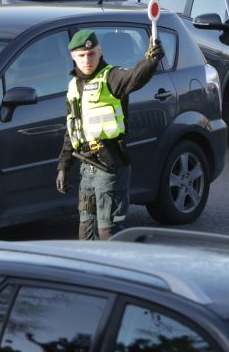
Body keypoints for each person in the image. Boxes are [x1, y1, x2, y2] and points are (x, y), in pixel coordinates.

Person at [56, 29, 164, 240]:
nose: (87, 60)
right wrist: (63, 166)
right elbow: (73, 130)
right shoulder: (74, 86)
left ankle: (126, 270)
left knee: (109, 232)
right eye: (81, 55)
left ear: (100, 51)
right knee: (86, 232)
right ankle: (90, 273)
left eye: (91, 54)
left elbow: (134, 78)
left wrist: (150, 60)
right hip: (86, 168)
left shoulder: (111, 76)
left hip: (110, 165)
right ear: (72, 56)